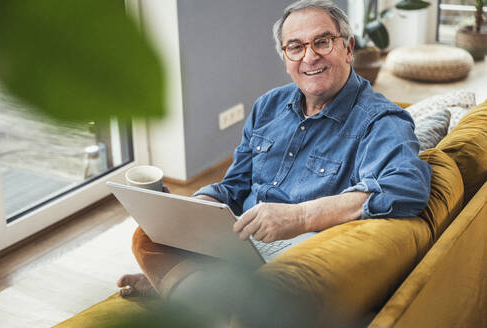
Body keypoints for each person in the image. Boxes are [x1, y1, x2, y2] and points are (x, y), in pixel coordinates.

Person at [117, 0, 432, 297]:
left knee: (272, 286)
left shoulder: (380, 120)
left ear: (348, 49)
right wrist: (201, 206)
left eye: (323, 42)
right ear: (285, 58)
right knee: (148, 235)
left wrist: (299, 216)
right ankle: (193, 293)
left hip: (298, 256)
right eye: (295, 47)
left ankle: (181, 290)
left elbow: (407, 186)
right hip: (242, 239)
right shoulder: (268, 106)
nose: (309, 57)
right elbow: (235, 185)